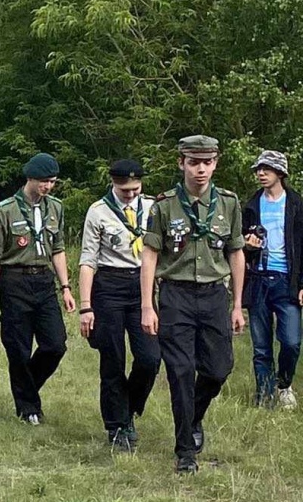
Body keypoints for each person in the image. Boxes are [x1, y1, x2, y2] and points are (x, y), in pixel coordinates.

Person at [141, 135, 245, 474]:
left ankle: (194, 416)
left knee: (218, 369)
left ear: (215, 164)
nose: (200, 169)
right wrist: (147, 305)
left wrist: (237, 304)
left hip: (214, 295)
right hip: (176, 296)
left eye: (207, 162)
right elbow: (150, 255)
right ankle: (185, 449)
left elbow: (236, 252)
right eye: (194, 162)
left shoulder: (228, 203)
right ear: (181, 163)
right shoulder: (164, 205)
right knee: (181, 372)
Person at [0, 153, 76, 424]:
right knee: (18, 348)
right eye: (44, 181)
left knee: (55, 345)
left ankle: (25, 387)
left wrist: (66, 287)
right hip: (15, 281)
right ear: (30, 178)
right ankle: (28, 408)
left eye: (53, 182)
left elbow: (58, 249)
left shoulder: (55, 207)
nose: (48, 187)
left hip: (43, 281)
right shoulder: (6, 210)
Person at [78, 159, 161, 451]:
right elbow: (88, 260)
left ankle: (129, 408)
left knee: (150, 358)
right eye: (125, 190)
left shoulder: (152, 208)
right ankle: (116, 425)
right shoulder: (98, 211)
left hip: (142, 286)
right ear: (113, 183)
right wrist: (86, 306)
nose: (131, 195)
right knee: (112, 358)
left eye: (136, 189)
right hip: (109, 287)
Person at [241, 150, 303, 410]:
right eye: (258, 169)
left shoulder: (297, 204)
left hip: (287, 281)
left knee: (291, 341)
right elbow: (239, 246)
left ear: (280, 172)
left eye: (266, 169)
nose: (261, 173)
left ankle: (284, 384)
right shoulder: (251, 205)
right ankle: (265, 397)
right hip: (258, 279)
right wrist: (248, 246)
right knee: (261, 346)